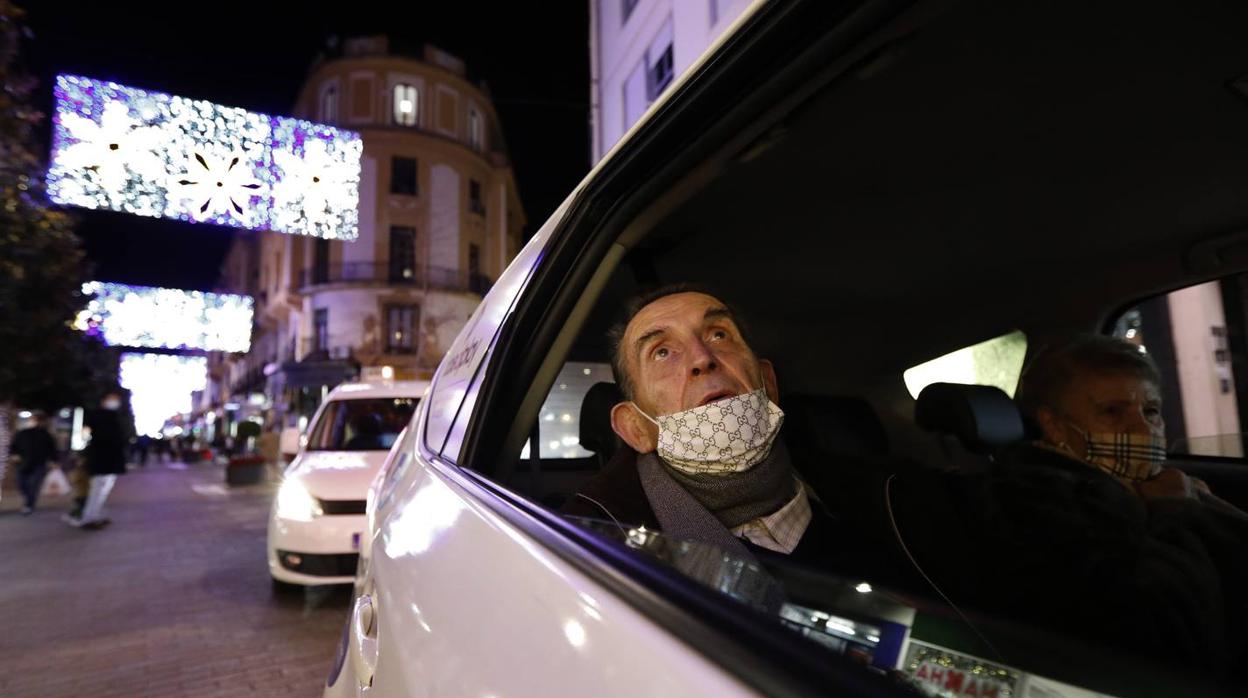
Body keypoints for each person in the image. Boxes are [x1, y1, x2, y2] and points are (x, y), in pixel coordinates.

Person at [563, 286, 880, 573]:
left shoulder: (888, 501)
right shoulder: (590, 549)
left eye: (718, 335)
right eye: (662, 352)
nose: (702, 358)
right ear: (636, 429)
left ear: (768, 384)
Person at [1016, 334, 1243, 515]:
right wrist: (1173, 509)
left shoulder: (1171, 486)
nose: (1145, 429)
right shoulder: (1043, 506)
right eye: (1112, 411)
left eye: (1151, 411)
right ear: (1053, 425)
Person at [70, 391, 129, 529]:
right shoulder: (96, 415)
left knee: (103, 489)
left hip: (111, 458)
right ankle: (88, 518)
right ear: (103, 400)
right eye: (112, 399)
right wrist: (82, 451)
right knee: (97, 489)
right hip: (100, 457)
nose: (115, 402)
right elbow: (86, 432)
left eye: (116, 399)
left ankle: (93, 516)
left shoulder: (114, 416)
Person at [10, 411, 57, 515]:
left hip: (39, 464)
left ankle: (28, 505)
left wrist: (54, 461)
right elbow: (14, 446)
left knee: (34, 485)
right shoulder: (22, 433)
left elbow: (52, 449)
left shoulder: (46, 434)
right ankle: (28, 500)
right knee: (21, 483)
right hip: (23, 463)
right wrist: (14, 455)